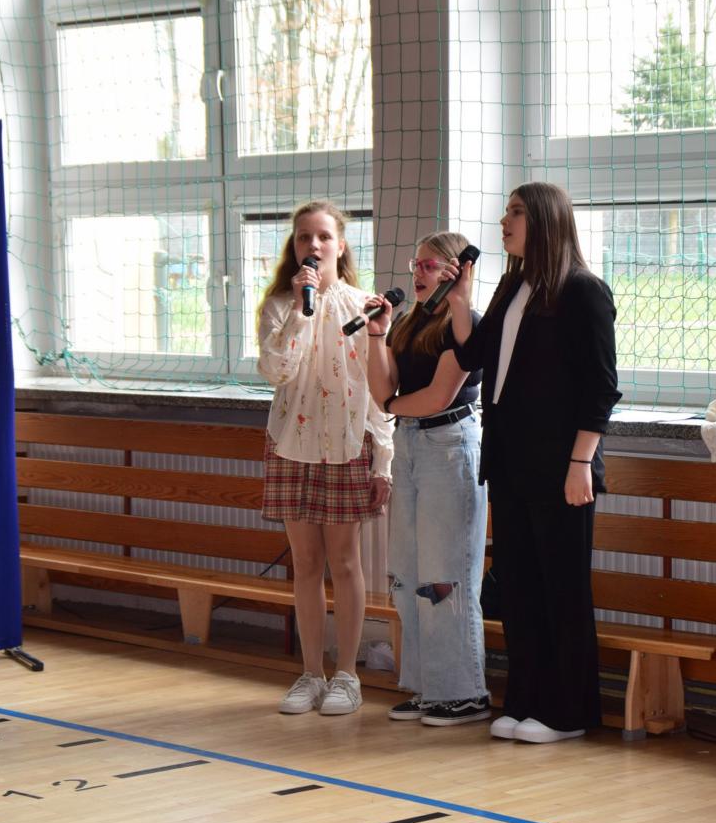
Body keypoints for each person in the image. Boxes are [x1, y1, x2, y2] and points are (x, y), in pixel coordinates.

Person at [444, 182, 620, 744]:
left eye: (516, 212)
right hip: (510, 460)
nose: (505, 221)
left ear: (545, 219)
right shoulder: (512, 284)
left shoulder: (584, 291)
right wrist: (459, 300)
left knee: (560, 589)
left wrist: (580, 462)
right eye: (505, 212)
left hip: (561, 465)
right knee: (519, 588)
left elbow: (601, 388)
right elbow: (473, 356)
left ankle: (566, 713)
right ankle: (524, 701)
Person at [256, 199, 394, 716]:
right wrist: (299, 309)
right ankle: (310, 673)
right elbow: (277, 371)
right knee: (307, 563)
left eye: (323, 237)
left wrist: (382, 461)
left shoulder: (363, 306)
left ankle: (347, 676)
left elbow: (378, 392)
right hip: (292, 445)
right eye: (303, 238)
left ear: (341, 245)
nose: (313, 246)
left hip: (346, 445)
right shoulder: (279, 306)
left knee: (346, 561)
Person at [361, 231, 490, 727]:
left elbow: (439, 396)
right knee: (408, 574)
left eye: (431, 266)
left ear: (454, 272)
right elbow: (382, 390)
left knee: (445, 576)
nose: (418, 272)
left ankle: (463, 692)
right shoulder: (408, 322)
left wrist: (393, 405)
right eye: (416, 264)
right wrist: (377, 335)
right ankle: (426, 686)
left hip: (449, 444)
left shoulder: (465, 323)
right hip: (411, 443)